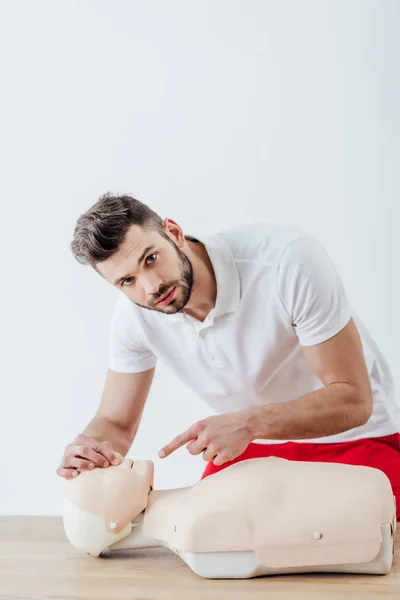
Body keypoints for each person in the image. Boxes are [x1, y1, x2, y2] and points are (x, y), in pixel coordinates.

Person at [56, 193, 400, 519]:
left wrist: (250, 423)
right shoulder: (134, 316)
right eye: (127, 280)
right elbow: (115, 424)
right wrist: (91, 451)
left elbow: (355, 400)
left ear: (173, 233)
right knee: (212, 542)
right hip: (253, 450)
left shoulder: (286, 260)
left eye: (151, 259)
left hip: (357, 439)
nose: (151, 287)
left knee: (358, 539)